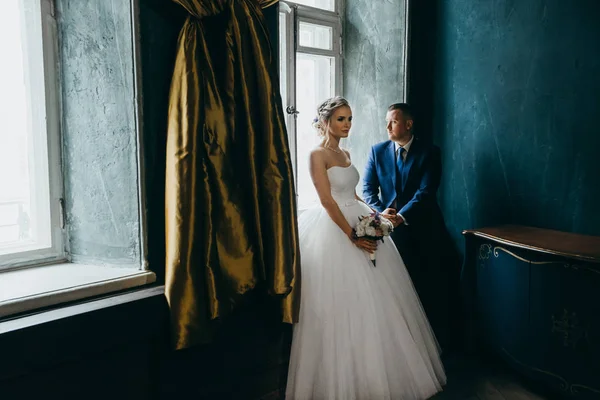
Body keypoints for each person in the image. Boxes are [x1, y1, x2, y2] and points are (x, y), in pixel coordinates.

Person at [285, 97, 446, 400]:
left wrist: (376, 216)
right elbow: (327, 201)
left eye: (349, 119)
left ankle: (380, 375)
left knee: (377, 302)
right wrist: (352, 235)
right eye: (340, 119)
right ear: (325, 122)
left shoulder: (345, 153)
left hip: (358, 219)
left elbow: (355, 194)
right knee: (340, 306)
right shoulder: (316, 155)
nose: (346, 125)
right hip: (334, 229)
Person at [362, 103, 456, 350]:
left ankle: (428, 345)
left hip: (424, 229)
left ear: (408, 124)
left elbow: (426, 191)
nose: (387, 127)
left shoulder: (430, 152)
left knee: (425, 286)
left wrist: (401, 217)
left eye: (392, 121)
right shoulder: (377, 151)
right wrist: (382, 212)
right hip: (386, 230)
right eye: (387, 121)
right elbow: (368, 189)